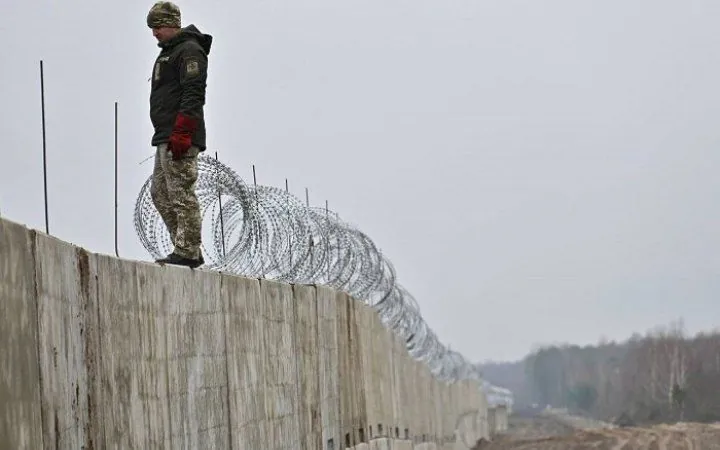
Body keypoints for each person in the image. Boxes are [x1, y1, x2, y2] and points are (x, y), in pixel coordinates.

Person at [146, 1, 212, 268]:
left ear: (172, 23)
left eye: (158, 26)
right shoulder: (169, 52)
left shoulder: (189, 51)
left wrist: (183, 130)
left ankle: (187, 251)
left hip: (180, 134)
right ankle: (186, 247)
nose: (154, 33)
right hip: (165, 134)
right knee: (160, 192)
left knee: (181, 193)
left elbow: (194, 92)